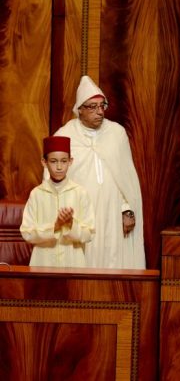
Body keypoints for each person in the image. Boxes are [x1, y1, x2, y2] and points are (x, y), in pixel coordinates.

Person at [51, 76, 146, 269]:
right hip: (80, 216)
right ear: (80, 109)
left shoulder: (117, 133)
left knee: (113, 262)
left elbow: (126, 179)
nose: (100, 112)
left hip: (113, 214)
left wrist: (127, 209)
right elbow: (52, 182)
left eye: (102, 106)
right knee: (82, 265)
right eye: (92, 107)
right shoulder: (64, 136)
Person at [21, 136, 95, 267]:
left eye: (64, 161)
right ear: (44, 162)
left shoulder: (80, 193)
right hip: (42, 264)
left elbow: (89, 234)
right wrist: (55, 227)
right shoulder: (37, 194)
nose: (59, 167)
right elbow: (27, 233)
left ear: (70, 161)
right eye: (53, 161)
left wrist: (71, 224)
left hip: (73, 264)